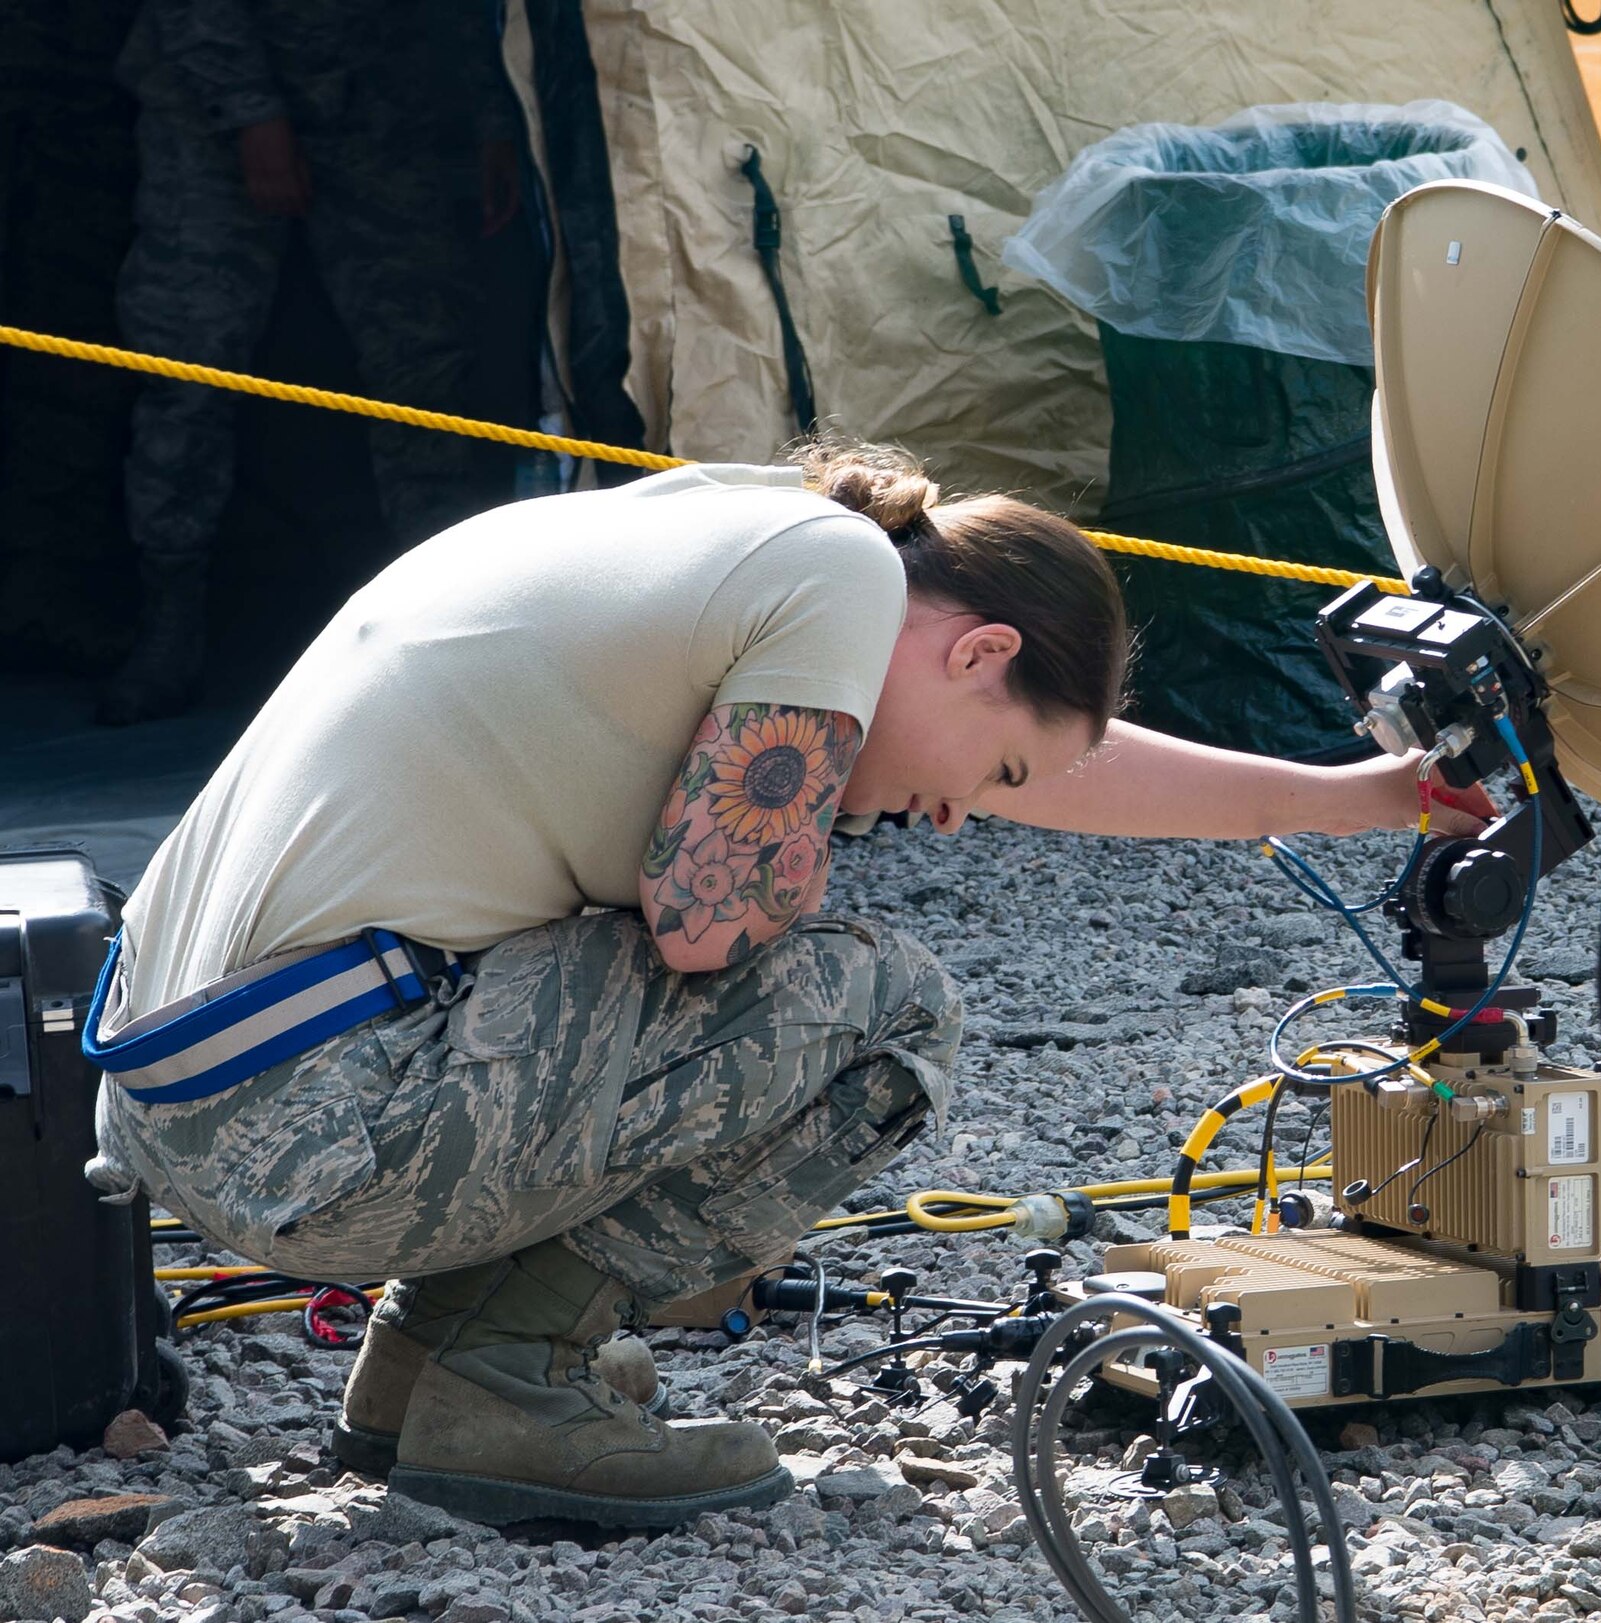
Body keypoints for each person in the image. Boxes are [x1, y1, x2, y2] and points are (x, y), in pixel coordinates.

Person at [86, 443, 1490, 1530]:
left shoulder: (748, 530)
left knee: (690, 957)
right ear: (980, 650)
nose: (959, 816)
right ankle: (503, 1370)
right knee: (881, 1004)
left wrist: (1356, 796)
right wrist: (804, 863)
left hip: (197, 1096)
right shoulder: (839, 583)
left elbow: (1068, 759)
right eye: (989, 780)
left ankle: (437, 1367)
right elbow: (709, 921)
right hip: (316, 1135)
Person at [103, 0, 521, 725]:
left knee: (423, 369)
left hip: (386, 100)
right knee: (188, 366)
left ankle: (445, 624)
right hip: (204, 106)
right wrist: (250, 112)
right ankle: (167, 623)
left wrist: (494, 119)